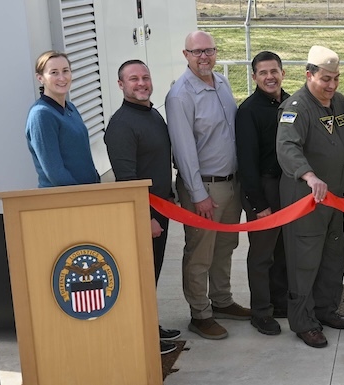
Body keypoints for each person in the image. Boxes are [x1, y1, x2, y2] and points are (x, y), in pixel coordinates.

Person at [166, 31, 248, 340]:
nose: (204, 56)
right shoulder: (180, 95)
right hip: (205, 189)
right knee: (200, 251)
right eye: (197, 51)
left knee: (225, 247)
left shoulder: (222, 83)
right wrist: (198, 194)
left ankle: (222, 300)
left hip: (231, 184)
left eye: (209, 51)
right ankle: (200, 313)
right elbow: (185, 150)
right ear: (185, 54)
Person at [276, 45, 344, 348]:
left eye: (336, 79)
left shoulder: (340, 102)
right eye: (325, 79)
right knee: (304, 262)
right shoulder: (296, 107)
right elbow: (287, 147)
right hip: (306, 201)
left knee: (334, 257)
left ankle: (326, 309)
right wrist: (309, 175)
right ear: (309, 75)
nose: (331, 86)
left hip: (335, 200)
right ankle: (304, 322)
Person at [104, 59, 181, 354]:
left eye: (145, 77)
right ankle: (143, 338)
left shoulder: (151, 114)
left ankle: (151, 325)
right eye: (133, 79)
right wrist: (145, 218)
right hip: (145, 214)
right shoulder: (122, 125)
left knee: (152, 273)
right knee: (141, 275)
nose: (141, 83)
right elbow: (127, 180)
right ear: (121, 85)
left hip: (162, 208)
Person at [235, 51, 290, 336]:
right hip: (263, 188)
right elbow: (246, 162)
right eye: (263, 72)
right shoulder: (248, 111)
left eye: (274, 71)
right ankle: (261, 312)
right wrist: (259, 204)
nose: (270, 77)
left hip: (287, 187)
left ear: (283, 73)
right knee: (262, 254)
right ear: (255, 76)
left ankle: (280, 302)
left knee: (282, 251)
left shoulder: (293, 103)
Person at [26, 50, 99, 188]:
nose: (62, 77)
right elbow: (55, 172)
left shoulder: (70, 108)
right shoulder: (41, 115)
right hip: (65, 200)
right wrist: (82, 196)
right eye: (54, 72)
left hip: (87, 194)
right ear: (40, 78)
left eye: (65, 71)